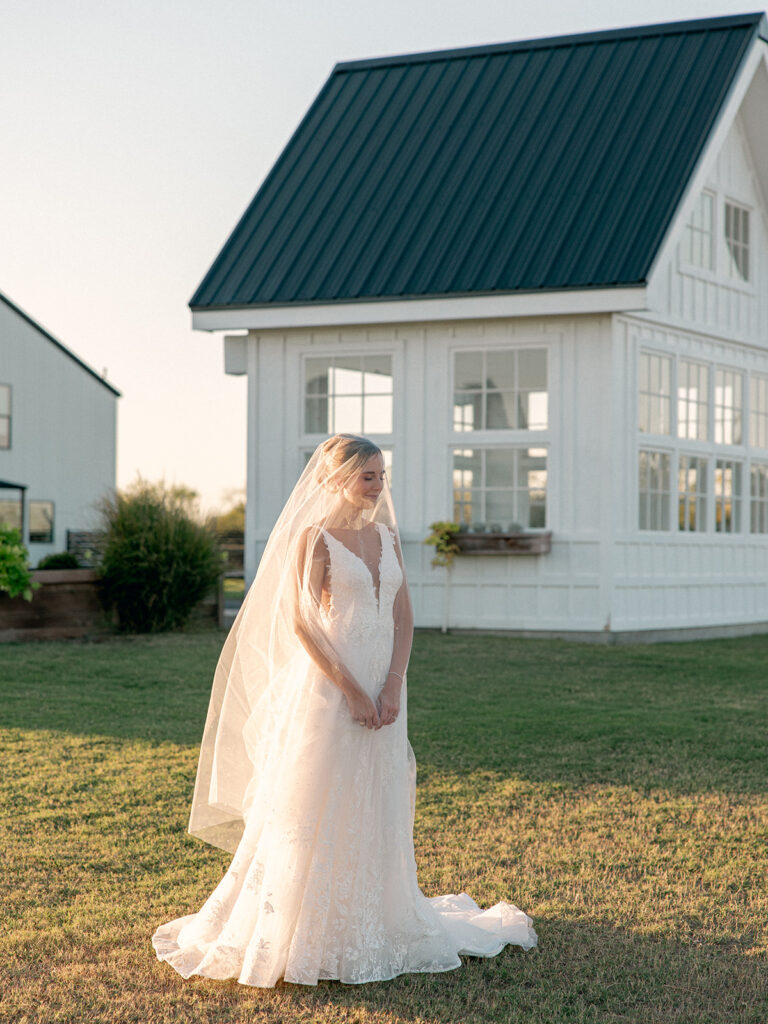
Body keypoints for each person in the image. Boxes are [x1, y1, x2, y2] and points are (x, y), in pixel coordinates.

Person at [152, 433, 537, 986]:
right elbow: (302, 622)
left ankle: (375, 913)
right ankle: (306, 926)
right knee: (316, 799)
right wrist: (353, 689)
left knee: (376, 793)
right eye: (367, 476)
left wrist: (392, 685)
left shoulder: (387, 536)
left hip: (386, 685)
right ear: (335, 478)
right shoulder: (314, 539)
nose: (378, 486)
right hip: (331, 688)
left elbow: (404, 617)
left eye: (382, 475)